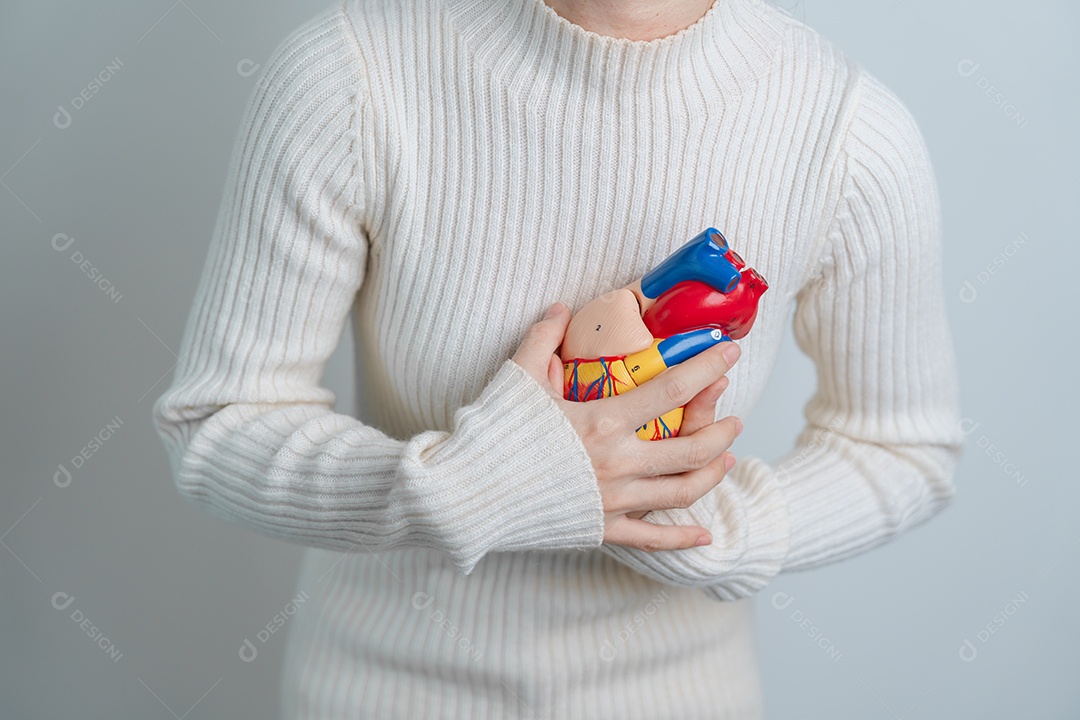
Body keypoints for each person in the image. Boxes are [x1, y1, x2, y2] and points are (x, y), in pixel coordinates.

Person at [150, 0, 965, 717]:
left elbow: (902, 448)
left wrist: (706, 527)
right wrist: (474, 487)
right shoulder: (349, 77)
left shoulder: (847, 132)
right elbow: (217, 426)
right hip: (381, 693)